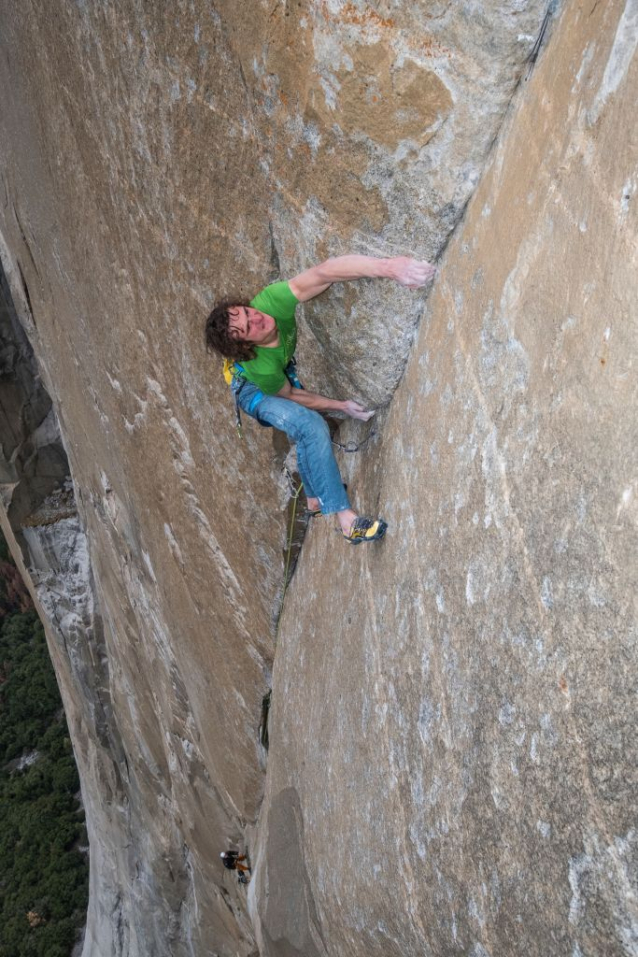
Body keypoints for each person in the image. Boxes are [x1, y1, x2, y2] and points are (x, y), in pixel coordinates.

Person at [205, 255, 436, 543]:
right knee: (310, 426)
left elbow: (324, 272)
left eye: (246, 312)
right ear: (245, 345)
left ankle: (314, 500)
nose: (256, 319)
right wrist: (340, 406)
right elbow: (292, 396)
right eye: (247, 328)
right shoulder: (260, 367)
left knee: (306, 430)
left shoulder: (269, 303)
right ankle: (346, 521)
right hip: (256, 394)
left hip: (279, 381)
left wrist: (390, 268)